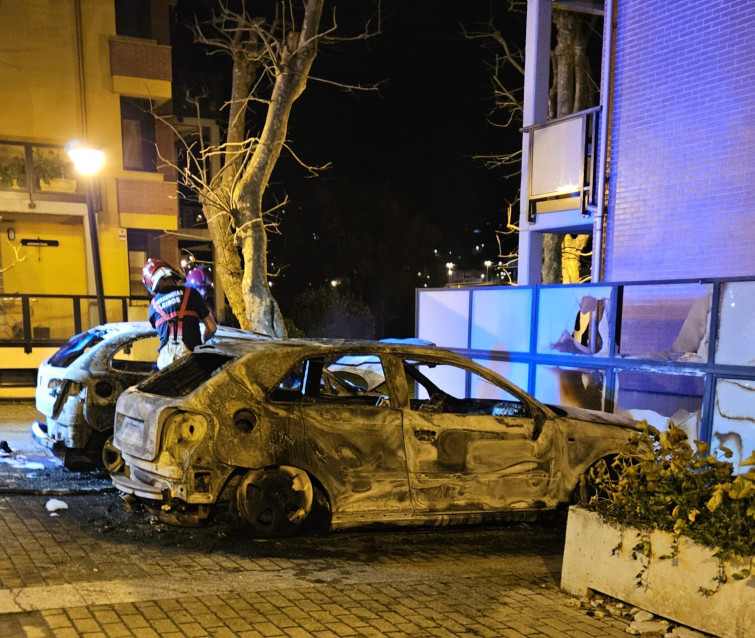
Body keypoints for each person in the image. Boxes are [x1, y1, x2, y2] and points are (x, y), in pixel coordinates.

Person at [142, 258, 217, 369]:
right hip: (191, 362)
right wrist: (204, 340)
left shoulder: (153, 306)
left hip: (166, 364)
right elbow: (212, 327)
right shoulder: (191, 293)